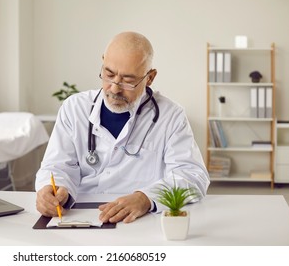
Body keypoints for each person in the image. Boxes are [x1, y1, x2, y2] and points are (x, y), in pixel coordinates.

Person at [35, 31, 210, 224]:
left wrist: (146, 198)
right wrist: (52, 190)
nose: (114, 88)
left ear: (150, 77)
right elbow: (57, 166)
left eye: (128, 80)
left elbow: (193, 176)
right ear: (102, 63)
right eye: (109, 74)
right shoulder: (74, 108)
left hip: (140, 220)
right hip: (80, 217)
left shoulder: (171, 116)